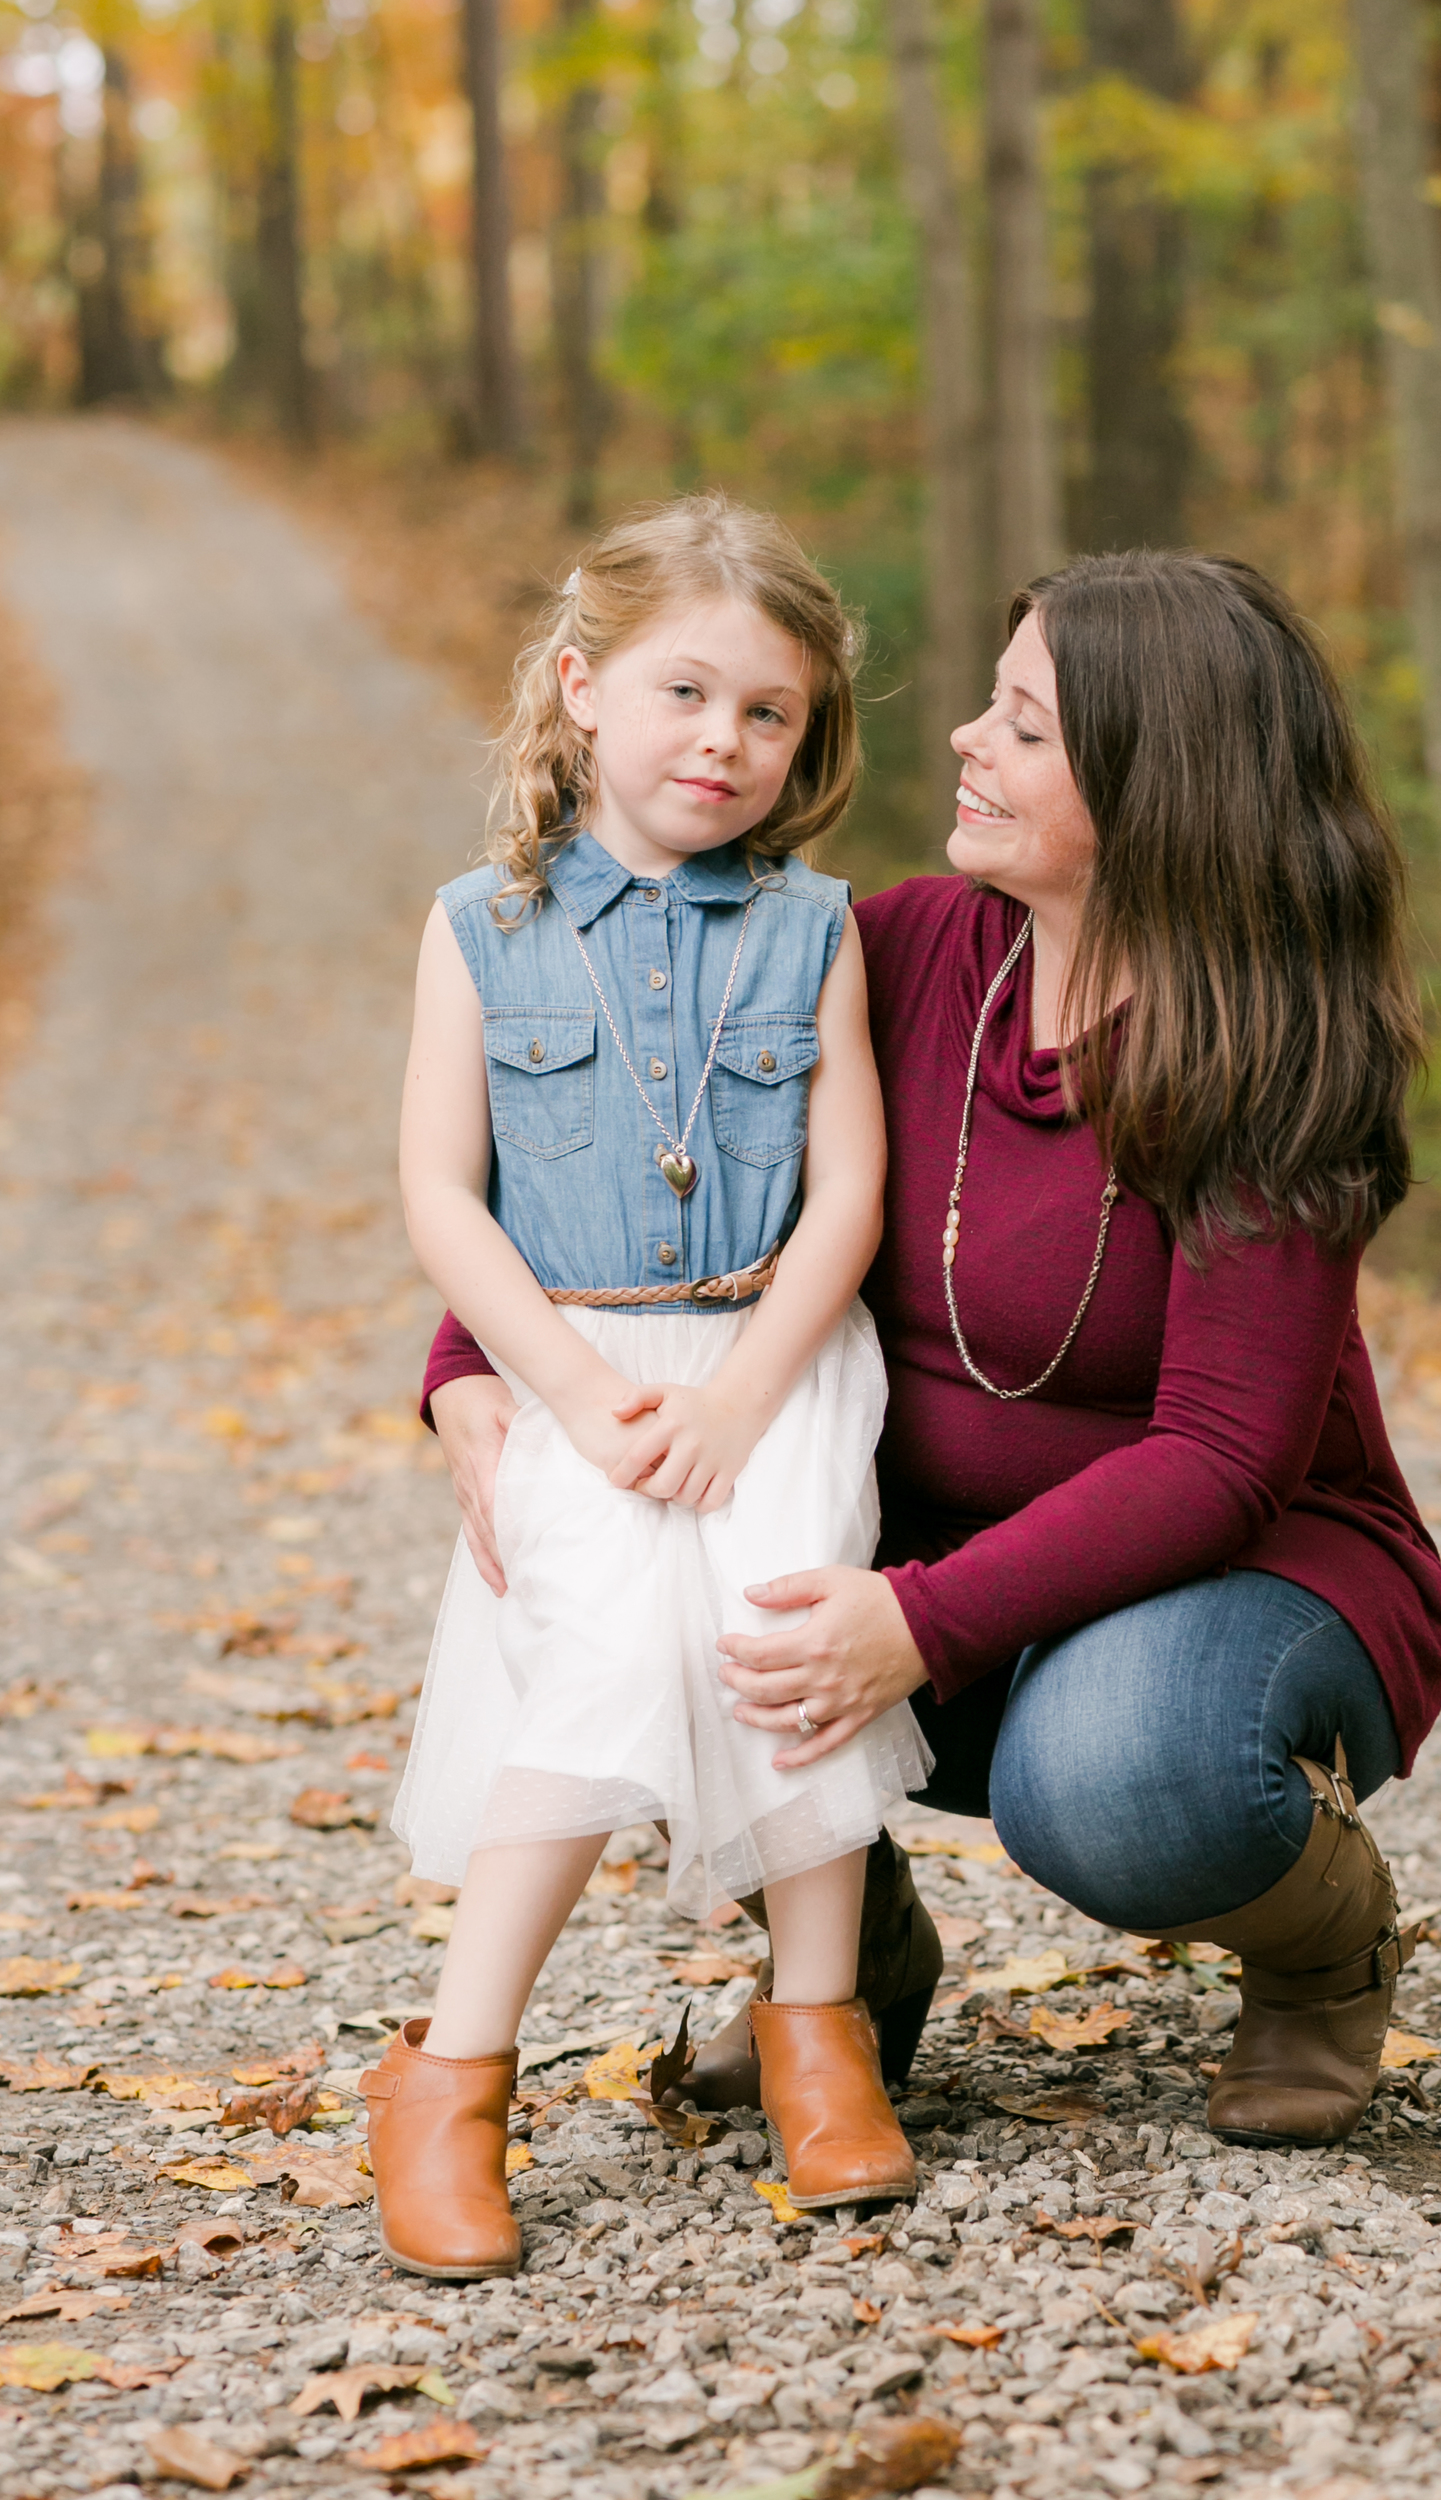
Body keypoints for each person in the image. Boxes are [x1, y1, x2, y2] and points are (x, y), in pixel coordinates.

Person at [423, 547, 1441, 2156]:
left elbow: (1225, 1459)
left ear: (1154, 780)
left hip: (1233, 1573)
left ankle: (1320, 1952)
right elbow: (632, 1161)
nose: (966, 740)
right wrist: (472, 1371)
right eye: (992, 701)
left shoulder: (1276, 1057)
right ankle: (852, 1974)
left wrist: (915, 1621)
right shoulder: (900, 951)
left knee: (1114, 1779)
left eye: (1025, 725)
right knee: (678, 1584)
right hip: (918, 1554)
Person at [369, 494, 937, 2283]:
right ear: (580, 691)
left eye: (768, 714)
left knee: (789, 1646)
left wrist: (752, 1387)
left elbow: (846, 1184)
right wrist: (569, 1386)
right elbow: (439, 1193)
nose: (725, 741)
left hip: (774, 1359)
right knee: (603, 1649)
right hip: (583, 1364)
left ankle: (816, 2035)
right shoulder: (479, 924)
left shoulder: (815, 926)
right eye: (687, 695)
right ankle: (452, 2078)